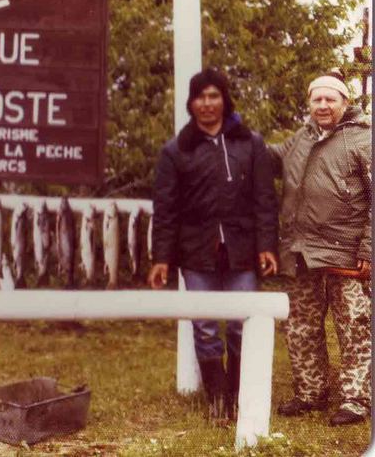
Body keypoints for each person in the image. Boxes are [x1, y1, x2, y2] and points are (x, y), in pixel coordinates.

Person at [148, 67, 279, 420]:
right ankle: (217, 400)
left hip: (242, 249)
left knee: (240, 321)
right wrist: (161, 258)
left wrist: (266, 245)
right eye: (200, 97)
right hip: (195, 252)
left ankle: (237, 395)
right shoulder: (176, 151)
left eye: (213, 96)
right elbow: (165, 211)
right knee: (205, 325)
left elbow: (265, 199)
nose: (207, 104)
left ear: (224, 100)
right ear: (191, 103)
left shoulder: (250, 143)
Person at [270, 73, 371, 426]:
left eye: (330, 99)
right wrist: (230, 138)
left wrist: (370, 249)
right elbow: (268, 159)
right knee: (301, 326)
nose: (323, 106)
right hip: (301, 251)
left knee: (355, 327)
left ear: (344, 103)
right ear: (310, 104)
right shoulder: (302, 139)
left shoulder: (364, 139)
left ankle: (356, 400)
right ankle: (310, 394)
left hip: (347, 254)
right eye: (317, 100)